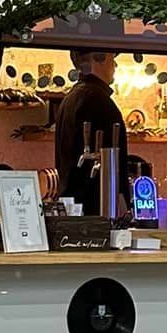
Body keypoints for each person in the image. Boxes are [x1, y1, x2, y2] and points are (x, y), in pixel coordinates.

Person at [54, 48, 128, 211]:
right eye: (110, 58)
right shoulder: (98, 101)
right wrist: (121, 201)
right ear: (98, 58)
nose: (115, 65)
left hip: (72, 206)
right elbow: (111, 165)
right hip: (95, 207)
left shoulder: (69, 99)